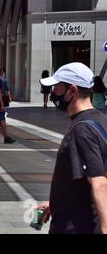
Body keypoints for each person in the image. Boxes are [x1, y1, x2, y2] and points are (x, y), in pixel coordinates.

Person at [38, 62, 107, 234]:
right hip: (78, 218)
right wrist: (57, 203)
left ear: (73, 90)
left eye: (57, 88)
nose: (54, 92)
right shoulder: (100, 120)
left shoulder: (81, 129)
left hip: (75, 228)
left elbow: (99, 184)